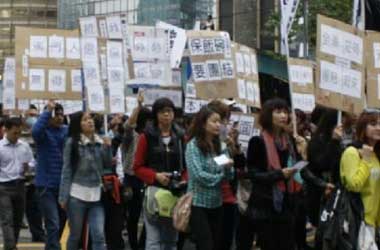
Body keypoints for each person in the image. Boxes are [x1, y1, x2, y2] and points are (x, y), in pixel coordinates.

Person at [244, 98, 306, 250]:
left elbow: (298, 168)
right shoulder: (257, 141)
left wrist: (303, 153)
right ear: (268, 115)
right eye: (278, 112)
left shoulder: (290, 140)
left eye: (285, 111)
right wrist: (279, 175)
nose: (283, 115)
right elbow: (252, 174)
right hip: (266, 204)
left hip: (287, 202)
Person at [133, 98, 186, 250]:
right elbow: (137, 167)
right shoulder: (146, 137)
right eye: (162, 112)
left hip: (175, 192)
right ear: (156, 115)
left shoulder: (181, 136)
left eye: (169, 111)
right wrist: (155, 176)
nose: (166, 115)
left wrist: (183, 180)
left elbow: (188, 165)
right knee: (153, 240)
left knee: (171, 240)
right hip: (154, 192)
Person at [59, 111, 112, 250]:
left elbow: (107, 165)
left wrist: (108, 147)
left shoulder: (101, 141)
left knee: (99, 235)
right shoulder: (72, 143)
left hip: (97, 195)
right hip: (76, 196)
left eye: (91, 119)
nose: (90, 121)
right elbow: (67, 170)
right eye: (85, 119)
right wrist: (63, 197)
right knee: (75, 236)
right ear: (78, 124)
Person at [186, 106, 234, 250]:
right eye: (214, 121)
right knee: (205, 244)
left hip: (217, 203)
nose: (218, 125)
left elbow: (229, 176)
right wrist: (220, 176)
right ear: (203, 123)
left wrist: (229, 167)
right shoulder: (193, 145)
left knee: (215, 243)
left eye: (219, 122)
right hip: (198, 203)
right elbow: (198, 175)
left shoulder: (221, 145)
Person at [340, 109, 380, 246]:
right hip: (358, 219)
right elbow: (354, 185)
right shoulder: (352, 152)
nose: (378, 128)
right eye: (373, 124)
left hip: (373, 221)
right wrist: (366, 161)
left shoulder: (376, 154)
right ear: (363, 126)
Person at [32, 100, 68, 250]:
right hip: (46, 186)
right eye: (56, 115)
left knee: (60, 223)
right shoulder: (43, 133)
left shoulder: (66, 130)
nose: (59, 118)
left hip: (63, 186)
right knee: (52, 223)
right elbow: (35, 131)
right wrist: (47, 110)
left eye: (61, 115)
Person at [118, 91, 150, 250]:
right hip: (131, 179)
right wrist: (138, 106)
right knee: (133, 216)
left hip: (147, 179)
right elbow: (128, 125)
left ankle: (142, 245)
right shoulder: (131, 136)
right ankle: (133, 245)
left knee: (149, 216)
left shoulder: (150, 136)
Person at [0, 117, 34, 250]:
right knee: (7, 219)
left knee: (18, 220)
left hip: (20, 185)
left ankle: (11, 245)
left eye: (19, 133)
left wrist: (28, 167)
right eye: (14, 133)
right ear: (6, 130)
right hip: (3, 187)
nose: (17, 136)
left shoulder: (24, 146)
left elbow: (32, 161)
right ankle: (11, 247)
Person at [22, 104, 45, 242]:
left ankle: (38, 234)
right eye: (31, 116)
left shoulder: (41, 135)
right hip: (18, 179)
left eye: (36, 116)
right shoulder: (17, 136)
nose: (33, 119)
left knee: (35, 209)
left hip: (35, 179)